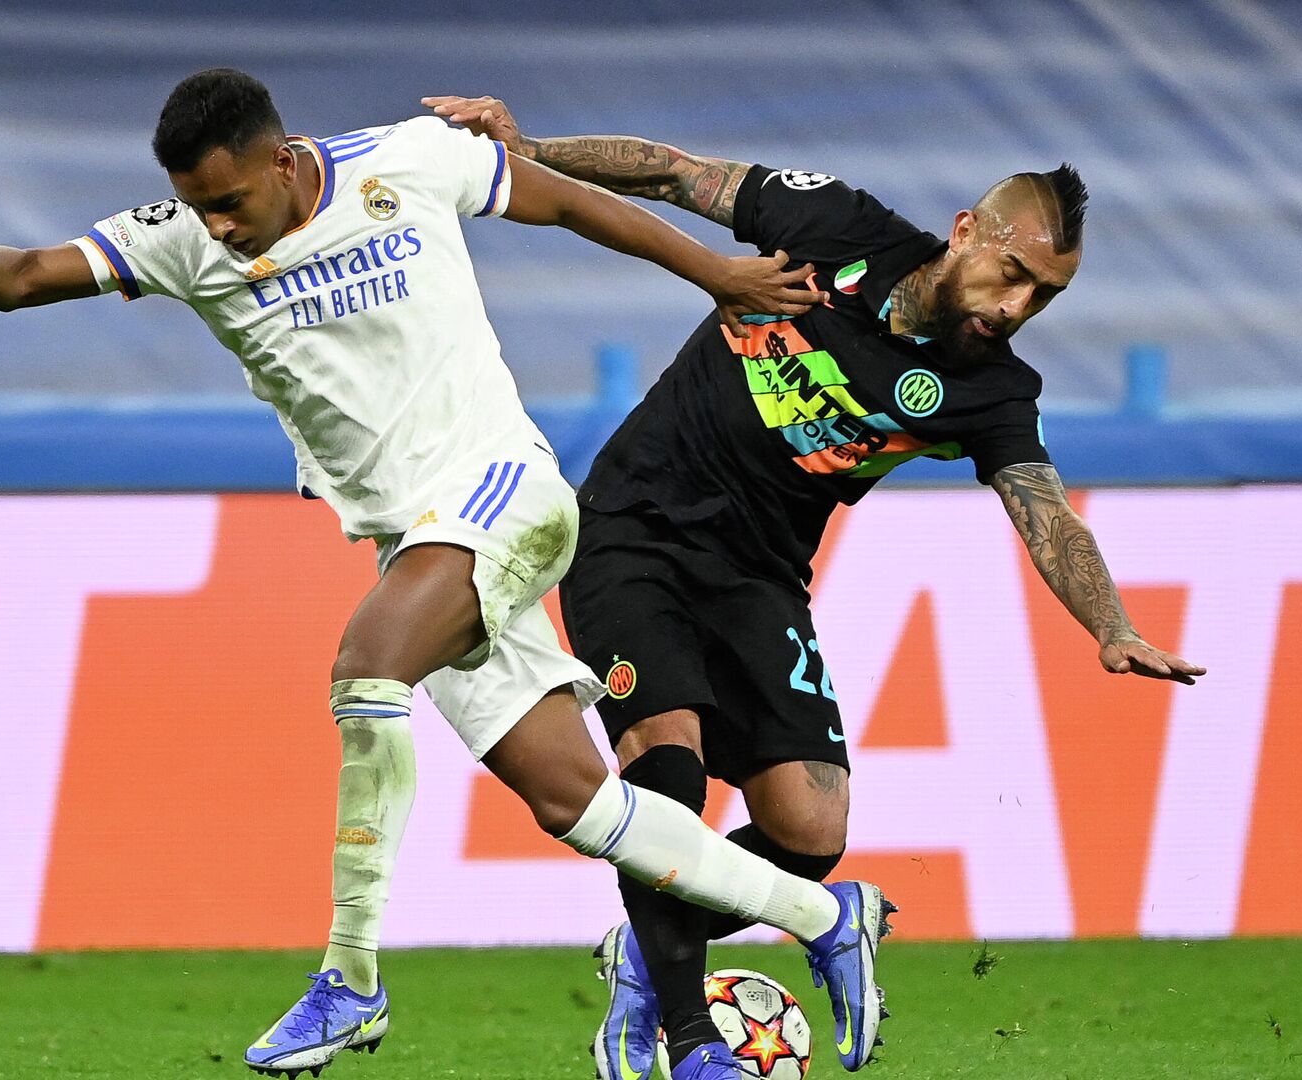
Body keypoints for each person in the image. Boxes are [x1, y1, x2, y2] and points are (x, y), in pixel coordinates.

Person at [0, 69, 894, 1080]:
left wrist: (717, 275)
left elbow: (566, 201)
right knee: (581, 807)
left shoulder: (403, 163)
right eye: (202, 209)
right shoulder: (184, 238)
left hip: (506, 491)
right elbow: (19, 280)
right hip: (416, 542)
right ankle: (822, 917)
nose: (222, 229)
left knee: (368, 664)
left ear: (281, 163)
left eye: (232, 203)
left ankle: (351, 979)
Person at [423, 94, 1208, 1079]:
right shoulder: (833, 225)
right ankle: (684, 1039)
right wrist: (529, 149)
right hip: (635, 525)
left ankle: (651, 945)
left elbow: (1044, 510)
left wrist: (1111, 622)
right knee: (664, 765)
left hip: (761, 577)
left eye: (1042, 296)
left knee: (810, 828)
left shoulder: (992, 391)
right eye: (1012, 274)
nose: (1015, 308)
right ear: (967, 233)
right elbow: (672, 170)